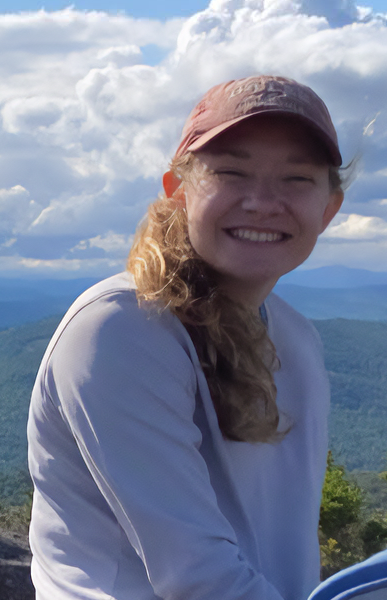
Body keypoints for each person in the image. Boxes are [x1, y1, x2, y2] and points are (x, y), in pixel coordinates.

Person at [27, 75, 345, 600]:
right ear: (178, 192)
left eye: (297, 179)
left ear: (328, 208)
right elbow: (196, 576)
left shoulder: (297, 340)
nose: (263, 202)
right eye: (230, 173)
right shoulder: (121, 329)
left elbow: (289, 557)